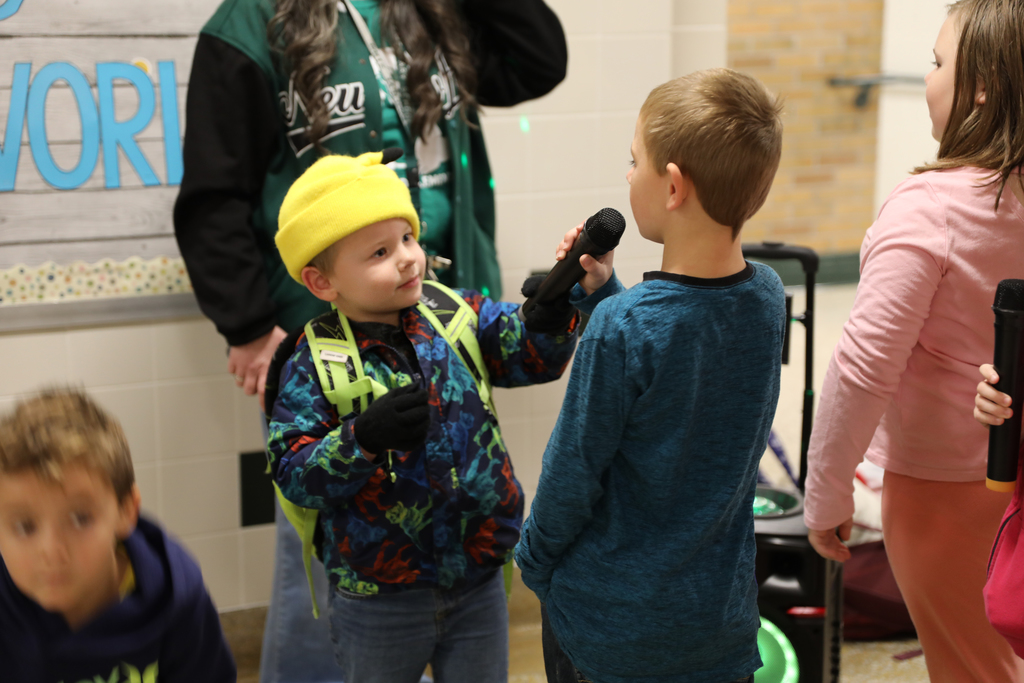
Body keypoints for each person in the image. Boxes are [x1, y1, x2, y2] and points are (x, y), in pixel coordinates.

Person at [172, 1, 566, 679]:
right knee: (316, 578)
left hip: (440, 319)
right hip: (328, 333)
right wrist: (246, 326)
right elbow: (214, 191)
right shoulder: (247, 26)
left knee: (452, 493)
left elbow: (536, 62)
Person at [265, 150, 583, 683]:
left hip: (478, 576)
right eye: (381, 252)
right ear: (322, 282)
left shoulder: (452, 311)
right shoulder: (315, 359)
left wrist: (551, 319)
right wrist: (361, 439)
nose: (409, 258)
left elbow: (526, 353)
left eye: (409, 238)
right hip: (379, 599)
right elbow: (293, 471)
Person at [514, 68, 786, 683]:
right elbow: (685, 364)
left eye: (633, 161)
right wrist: (607, 294)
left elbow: (571, 475)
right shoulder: (768, 298)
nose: (627, 175)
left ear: (671, 187)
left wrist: (534, 563)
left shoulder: (623, 329)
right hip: (716, 624)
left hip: (613, 630)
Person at [802, 0, 1024, 679]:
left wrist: (826, 492)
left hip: (941, 495)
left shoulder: (928, 210)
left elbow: (861, 369)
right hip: (1012, 483)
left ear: (981, 85)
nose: (929, 77)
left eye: (936, 62)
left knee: (969, 666)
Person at [0, 389, 236, 683]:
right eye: (24, 527)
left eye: (79, 519)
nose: (51, 551)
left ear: (126, 511)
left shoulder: (177, 599)